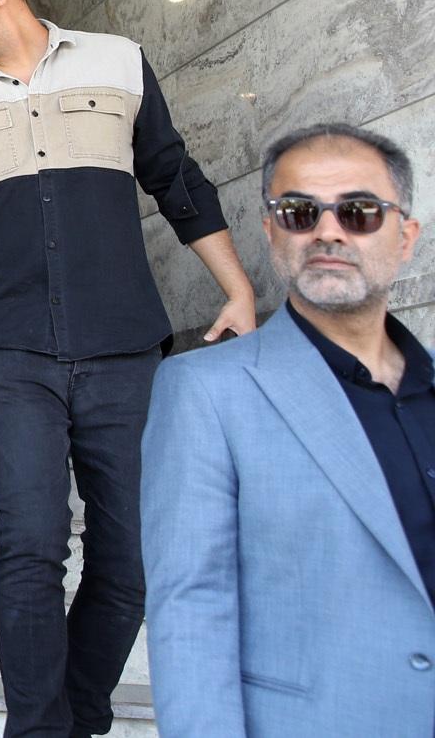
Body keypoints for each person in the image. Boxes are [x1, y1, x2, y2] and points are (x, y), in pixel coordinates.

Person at [0, 0, 257, 738]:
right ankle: (39, 729)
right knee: (30, 544)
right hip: (11, 348)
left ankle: (79, 711)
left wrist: (237, 290)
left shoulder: (119, 62)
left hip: (123, 347)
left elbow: (176, 177)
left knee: (131, 552)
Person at [143, 124, 435, 737]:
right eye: (300, 212)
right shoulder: (203, 392)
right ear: (273, 232)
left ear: (406, 236)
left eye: (359, 211)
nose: (328, 231)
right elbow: (191, 610)